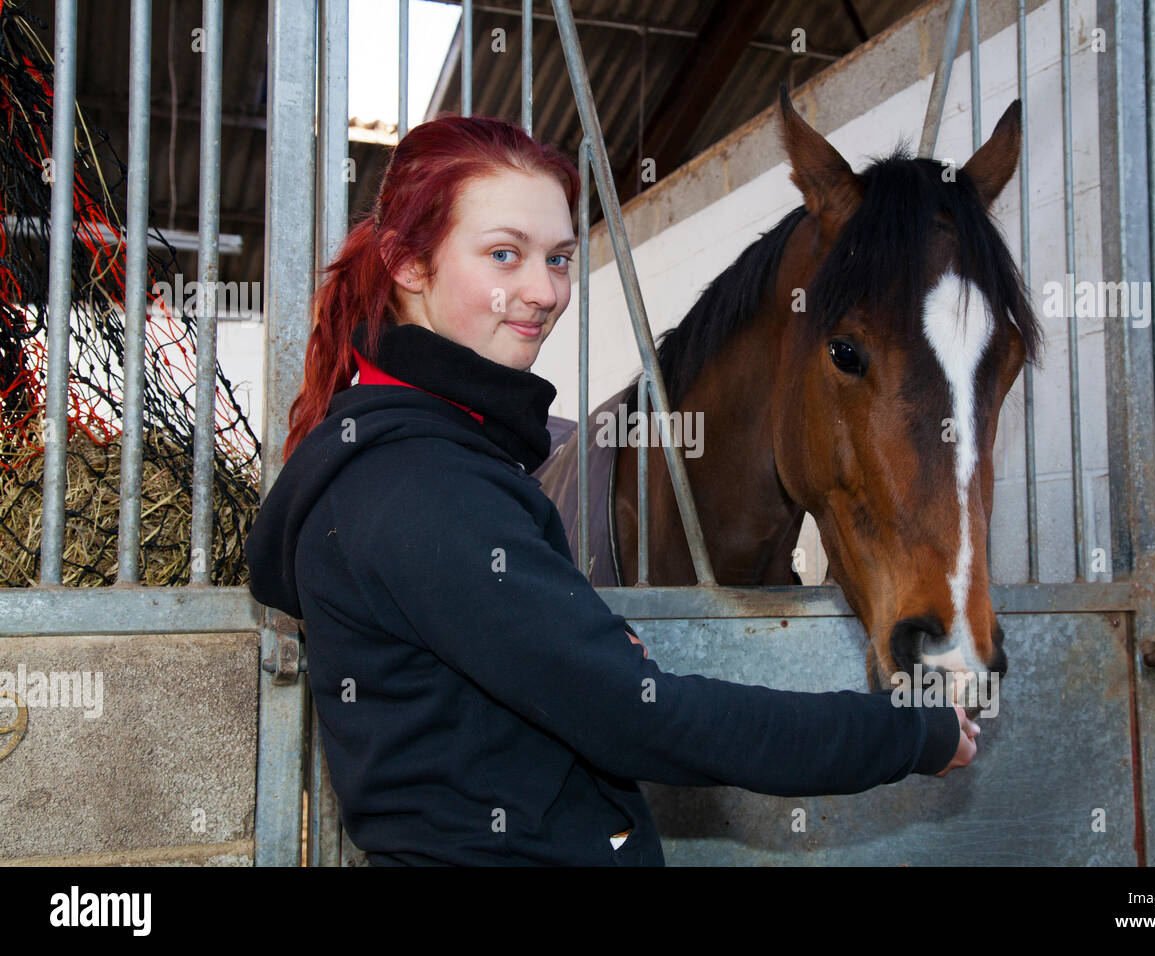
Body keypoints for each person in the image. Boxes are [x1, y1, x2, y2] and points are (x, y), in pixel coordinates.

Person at [245, 113, 978, 867]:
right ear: (407, 264)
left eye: (559, 258)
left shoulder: (429, 462)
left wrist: (586, 651)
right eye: (504, 255)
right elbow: (646, 722)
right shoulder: (423, 486)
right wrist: (910, 733)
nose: (542, 292)